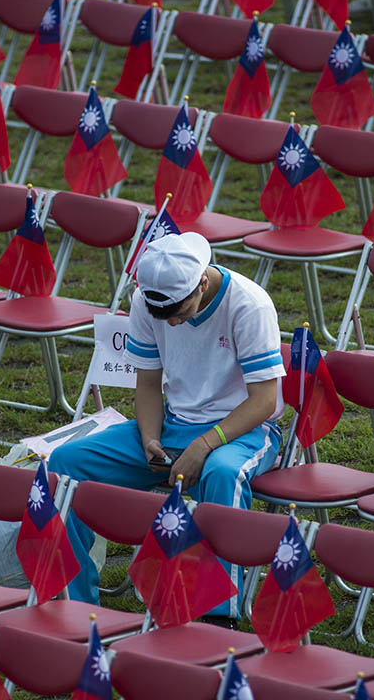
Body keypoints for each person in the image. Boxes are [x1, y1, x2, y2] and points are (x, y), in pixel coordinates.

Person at [50, 232, 285, 620]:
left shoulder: (250, 304)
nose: (173, 323)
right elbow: (147, 383)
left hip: (243, 431)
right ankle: (70, 605)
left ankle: (215, 617)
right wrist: (149, 438)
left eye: (181, 311)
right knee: (65, 462)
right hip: (174, 424)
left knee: (223, 473)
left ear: (203, 284)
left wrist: (203, 445)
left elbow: (264, 401)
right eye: (165, 316)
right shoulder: (148, 300)